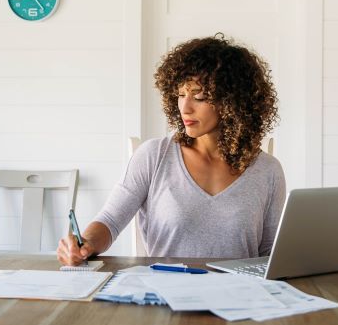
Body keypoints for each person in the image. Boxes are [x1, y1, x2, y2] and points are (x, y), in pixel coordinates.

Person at [57, 35, 286, 265]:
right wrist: (84, 243)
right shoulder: (154, 156)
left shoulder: (268, 170)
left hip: (240, 296)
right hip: (165, 293)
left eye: (200, 97)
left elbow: (270, 254)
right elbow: (109, 221)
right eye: (180, 95)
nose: (185, 108)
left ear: (233, 102)